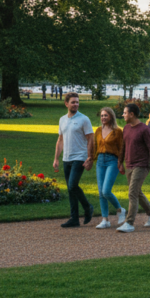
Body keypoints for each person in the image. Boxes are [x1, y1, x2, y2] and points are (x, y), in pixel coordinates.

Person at [117, 103, 150, 232]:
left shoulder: (144, 129)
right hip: (129, 164)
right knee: (137, 192)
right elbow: (123, 146)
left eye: (125, 113)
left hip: (141, 165)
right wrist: (120, 161)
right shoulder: (126, 128)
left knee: (132, 193)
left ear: (132, 114)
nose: (123, 115)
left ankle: (129, 223)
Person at [53, 92, 94, 228]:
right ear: (66, 104)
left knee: (72, 185)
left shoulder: (84, 119)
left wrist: (90, 157)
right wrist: (56, 158)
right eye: (73, 102)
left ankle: (88, 207)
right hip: (66, 158)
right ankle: (74, 218)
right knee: (71, 189)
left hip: (80, 157)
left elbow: (90, 139)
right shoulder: (62, 120)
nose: (76, 104)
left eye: (77, 102)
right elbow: (60, 140)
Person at [89, 107, 126, 229]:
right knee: (101, 193)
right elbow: (95, 145)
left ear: (111, 116)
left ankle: (120, 210)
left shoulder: (117, 131)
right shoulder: (98, 130)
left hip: (112, 161)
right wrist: (91, 159)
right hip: (100, 161)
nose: (103, 117)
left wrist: (120, 162)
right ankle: (105, 220)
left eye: (106, 115)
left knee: (106, 191)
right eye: (102, 115)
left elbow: (121, 148)